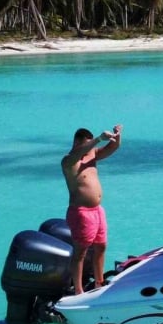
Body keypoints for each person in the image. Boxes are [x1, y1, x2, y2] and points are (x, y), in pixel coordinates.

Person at [61, 123, 121, 295]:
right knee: (81, 252)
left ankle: (99, 283)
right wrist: (98, 139)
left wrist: (117, 136)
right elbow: (77, 154)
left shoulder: (91, 156)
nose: (90, 149)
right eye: (87, 145)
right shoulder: (68, 161)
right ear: (77, 143)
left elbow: (112, 148)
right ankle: (78, 290)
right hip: (81, 212)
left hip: (97, 211)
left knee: (101, 246)